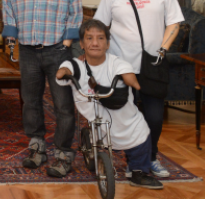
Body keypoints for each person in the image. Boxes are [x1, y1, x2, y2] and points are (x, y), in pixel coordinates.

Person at [94, 0, 183, 178]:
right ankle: (136, 161)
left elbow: (174, 22)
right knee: (124, 115)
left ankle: (151, 156)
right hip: (120, 65)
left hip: (153, 63)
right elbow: (99, 27)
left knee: (153, 116)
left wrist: (163, 49)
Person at [1, 0, 82, 178]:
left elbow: (75, 15)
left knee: (63, 106)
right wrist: (12, 42)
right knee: (31, 103)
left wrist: (67, 44)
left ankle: (63, 153)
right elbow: (9, 13)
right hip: (27, 52)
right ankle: (37, 148)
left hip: (59, 51)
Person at [55, 19, 164, 189]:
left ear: (107, 44)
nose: (95, 43)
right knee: (101, 133)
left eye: (100, 38)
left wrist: (131, 80)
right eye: (89, 38)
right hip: (98, 118)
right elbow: (66, 69)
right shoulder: (77, 64)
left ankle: (138, 172)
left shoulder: (116, 62)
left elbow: (127, 73)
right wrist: (63, 72)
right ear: (82, 44)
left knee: (141, 132)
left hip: (124, 116)